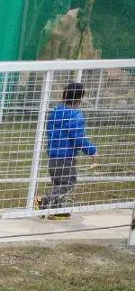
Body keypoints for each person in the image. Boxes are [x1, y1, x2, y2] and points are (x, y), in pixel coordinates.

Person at [39, 81, 97, 220]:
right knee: (68, 184)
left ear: (64, 96)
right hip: (66, 157)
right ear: (79, 99)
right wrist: (92, 150)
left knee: (58, 183)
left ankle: (56, 210)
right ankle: (43, 201)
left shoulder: (56, 112)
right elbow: (78, 137)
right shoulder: (75, 116)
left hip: (53, 156)